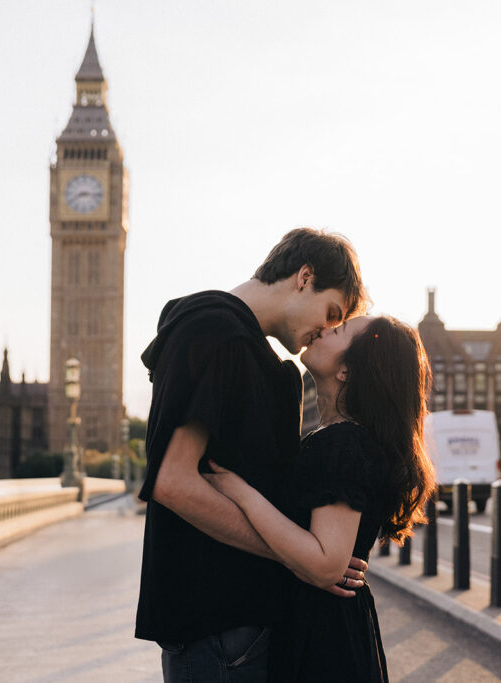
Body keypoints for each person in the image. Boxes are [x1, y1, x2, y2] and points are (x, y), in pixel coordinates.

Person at [134, 228, 368, 682]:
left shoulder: (277, 372)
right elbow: (172, 482)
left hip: (254, 623)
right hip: (215, 626)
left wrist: (322, 553)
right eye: (331, 312)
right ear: (304, 276)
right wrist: (300, 559)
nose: (326, 329)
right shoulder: (212, 329)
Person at [205, 314, 436, 682]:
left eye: (339, 331)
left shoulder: (344, 443)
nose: (326, 328)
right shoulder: (336, 438)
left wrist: (240, 493)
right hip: (324, 624)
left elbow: (326, 562)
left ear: (347, 370)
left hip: (323, 638)